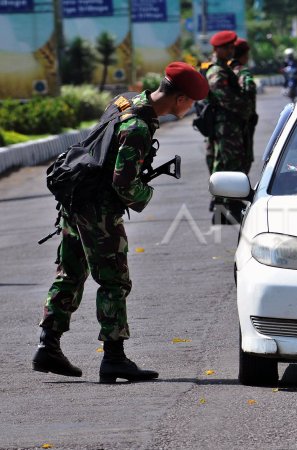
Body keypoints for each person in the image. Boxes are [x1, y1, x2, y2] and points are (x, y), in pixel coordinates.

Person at [32, 62, 208, 382]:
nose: (193, 108)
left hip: (75, 200)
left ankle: (48, 345)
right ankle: (114, 358)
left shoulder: (124, 101)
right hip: (97, 212)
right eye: (192, 102)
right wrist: (146, 195)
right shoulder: (138, 127)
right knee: (114, 281)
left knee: (71, 272)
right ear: (181, 99)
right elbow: (124, 185)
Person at [204, 30, 251, 224]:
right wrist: (245, 106)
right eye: (228, 47)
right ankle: (223, 208)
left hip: (230, 124)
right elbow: (225, 97)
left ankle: (228, 206)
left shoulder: (224, 67)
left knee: (231, 162)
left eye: (233, 47)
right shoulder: (216, 70)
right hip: (225, 126)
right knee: (226, 163)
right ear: (218, 49)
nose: (232, 50)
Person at [229, 38, 258, 176]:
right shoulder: (243, 72)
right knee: (242, 164)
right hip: (241, 128)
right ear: (244, 55)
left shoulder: (222, 71)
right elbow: (249, 89)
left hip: (220, 129)